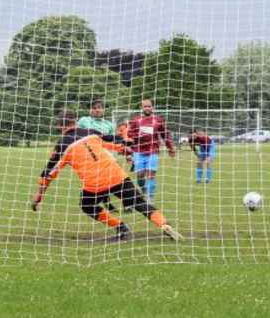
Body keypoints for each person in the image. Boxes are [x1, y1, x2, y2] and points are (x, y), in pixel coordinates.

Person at [31, 111, 182, 242]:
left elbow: (49, 173)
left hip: (95, 184)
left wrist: (40, 194)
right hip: (116, 175)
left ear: (59, 126)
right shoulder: (91, 132)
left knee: (87, 206)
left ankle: (120, 227)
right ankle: (163, 223)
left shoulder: (62, 145)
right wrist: (125, 149)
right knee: (139, 203)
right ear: (76, 122)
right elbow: (112, 141)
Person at [127, 99, 175, 202]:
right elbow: (129, 135)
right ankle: (143, 188)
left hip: (153, 151)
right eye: (145, 106)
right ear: (142, 108)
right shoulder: (136, 120)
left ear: (152, 107)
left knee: (151, 175)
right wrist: (137, 135)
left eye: (149, 106)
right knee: (140, 175)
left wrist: (170, 148)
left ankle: (150, 198)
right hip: (139, 151)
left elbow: (165, 135)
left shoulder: (158, 120)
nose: (147, 108)